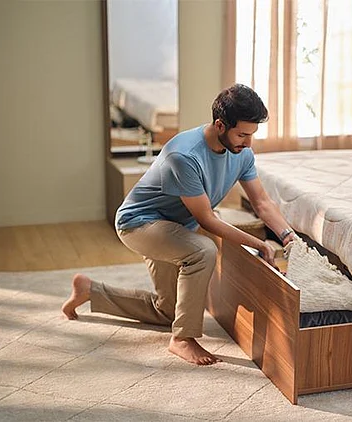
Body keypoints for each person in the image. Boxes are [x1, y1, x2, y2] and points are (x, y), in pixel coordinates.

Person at [62, 84, 297, 366]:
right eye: (242, 135)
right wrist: (259, 244)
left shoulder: (242, 153)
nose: (248, 143)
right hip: (140, 223)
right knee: (203, 251)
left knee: (168, 312)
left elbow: (262, 202)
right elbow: (206, 219)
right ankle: (183, 339)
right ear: (220, 125)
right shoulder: (184, 155)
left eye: (252, 135)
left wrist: (287, 235)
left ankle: (90, 291)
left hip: (176, 226)